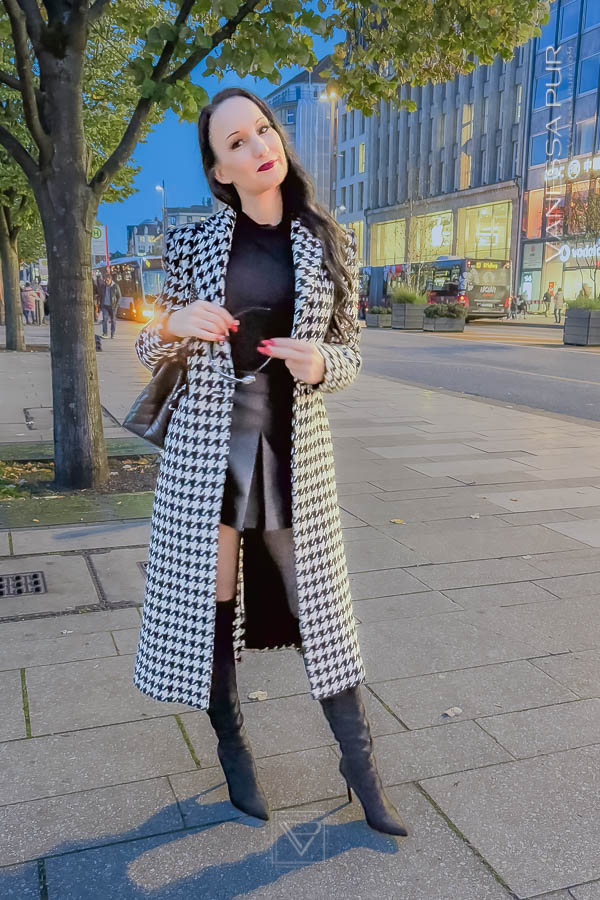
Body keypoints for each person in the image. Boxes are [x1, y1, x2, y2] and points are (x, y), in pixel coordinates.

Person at [132, 88, 408, 837]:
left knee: (323, 615)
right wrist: (174, 323)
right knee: (212, 610)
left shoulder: (326, 238)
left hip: (293, 454)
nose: (259, 145)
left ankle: (364, 774)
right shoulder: (193, 244)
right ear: (219, 171)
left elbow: (352, 354)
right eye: (236, 142)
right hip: (209, 455)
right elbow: (148, 349)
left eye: (263, 128)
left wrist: (322, 363)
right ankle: (233, 751)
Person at [101, 273, 121, 338]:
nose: (106, 282)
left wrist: (116, 305)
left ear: (110, 279)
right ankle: (105, 333)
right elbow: (101, 294)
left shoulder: (115, 286)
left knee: (113, 320)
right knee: (104, 319)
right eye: (105, 280)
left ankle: (112, 334)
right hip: (105, 306)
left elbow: (119, 296)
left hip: (113, 306)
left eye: (107, 280)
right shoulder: (103, 286)